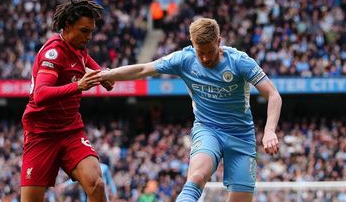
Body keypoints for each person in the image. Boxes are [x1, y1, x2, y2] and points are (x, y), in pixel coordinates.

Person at [100, 17, 282, 202]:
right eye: (200, 52)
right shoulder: (184, 59)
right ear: (192, 44)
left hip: (241, 135)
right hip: (208, 129)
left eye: (210, 51)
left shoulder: (239, 61)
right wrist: (108, 74)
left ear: (219, 42)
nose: (205, 58)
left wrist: (269, 131)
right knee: (196, 177)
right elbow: (143, 70)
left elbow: (273, 95)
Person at [20, 0, 114, 202]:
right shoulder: (53, 54)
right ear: (68, 26)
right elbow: (41, 94)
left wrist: (101, 74)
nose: (89, 36)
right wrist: (78, 86)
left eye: (91, 31)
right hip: (41, 134)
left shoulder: (77, 45)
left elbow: (84, 59)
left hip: (70, 130)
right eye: (84, 31)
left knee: (96, 184)